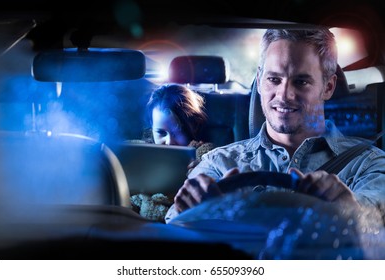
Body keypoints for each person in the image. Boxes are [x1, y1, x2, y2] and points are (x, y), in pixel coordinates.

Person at [165, 28, 385, 223]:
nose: (284, 95)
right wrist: (191, 209)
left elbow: (376, 212)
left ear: (328, 87)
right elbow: (176, 221)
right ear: (259, 80)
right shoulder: (219, 162)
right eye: (274, 79)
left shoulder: (367, 164)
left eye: (301, 81)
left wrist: (350, 212)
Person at [130, 83, 214, 222]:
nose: (169, 141)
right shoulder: (139, 152)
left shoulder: (206, 156)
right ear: (151, 128)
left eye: (177, 132)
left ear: (192, 126)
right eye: (161, 133)